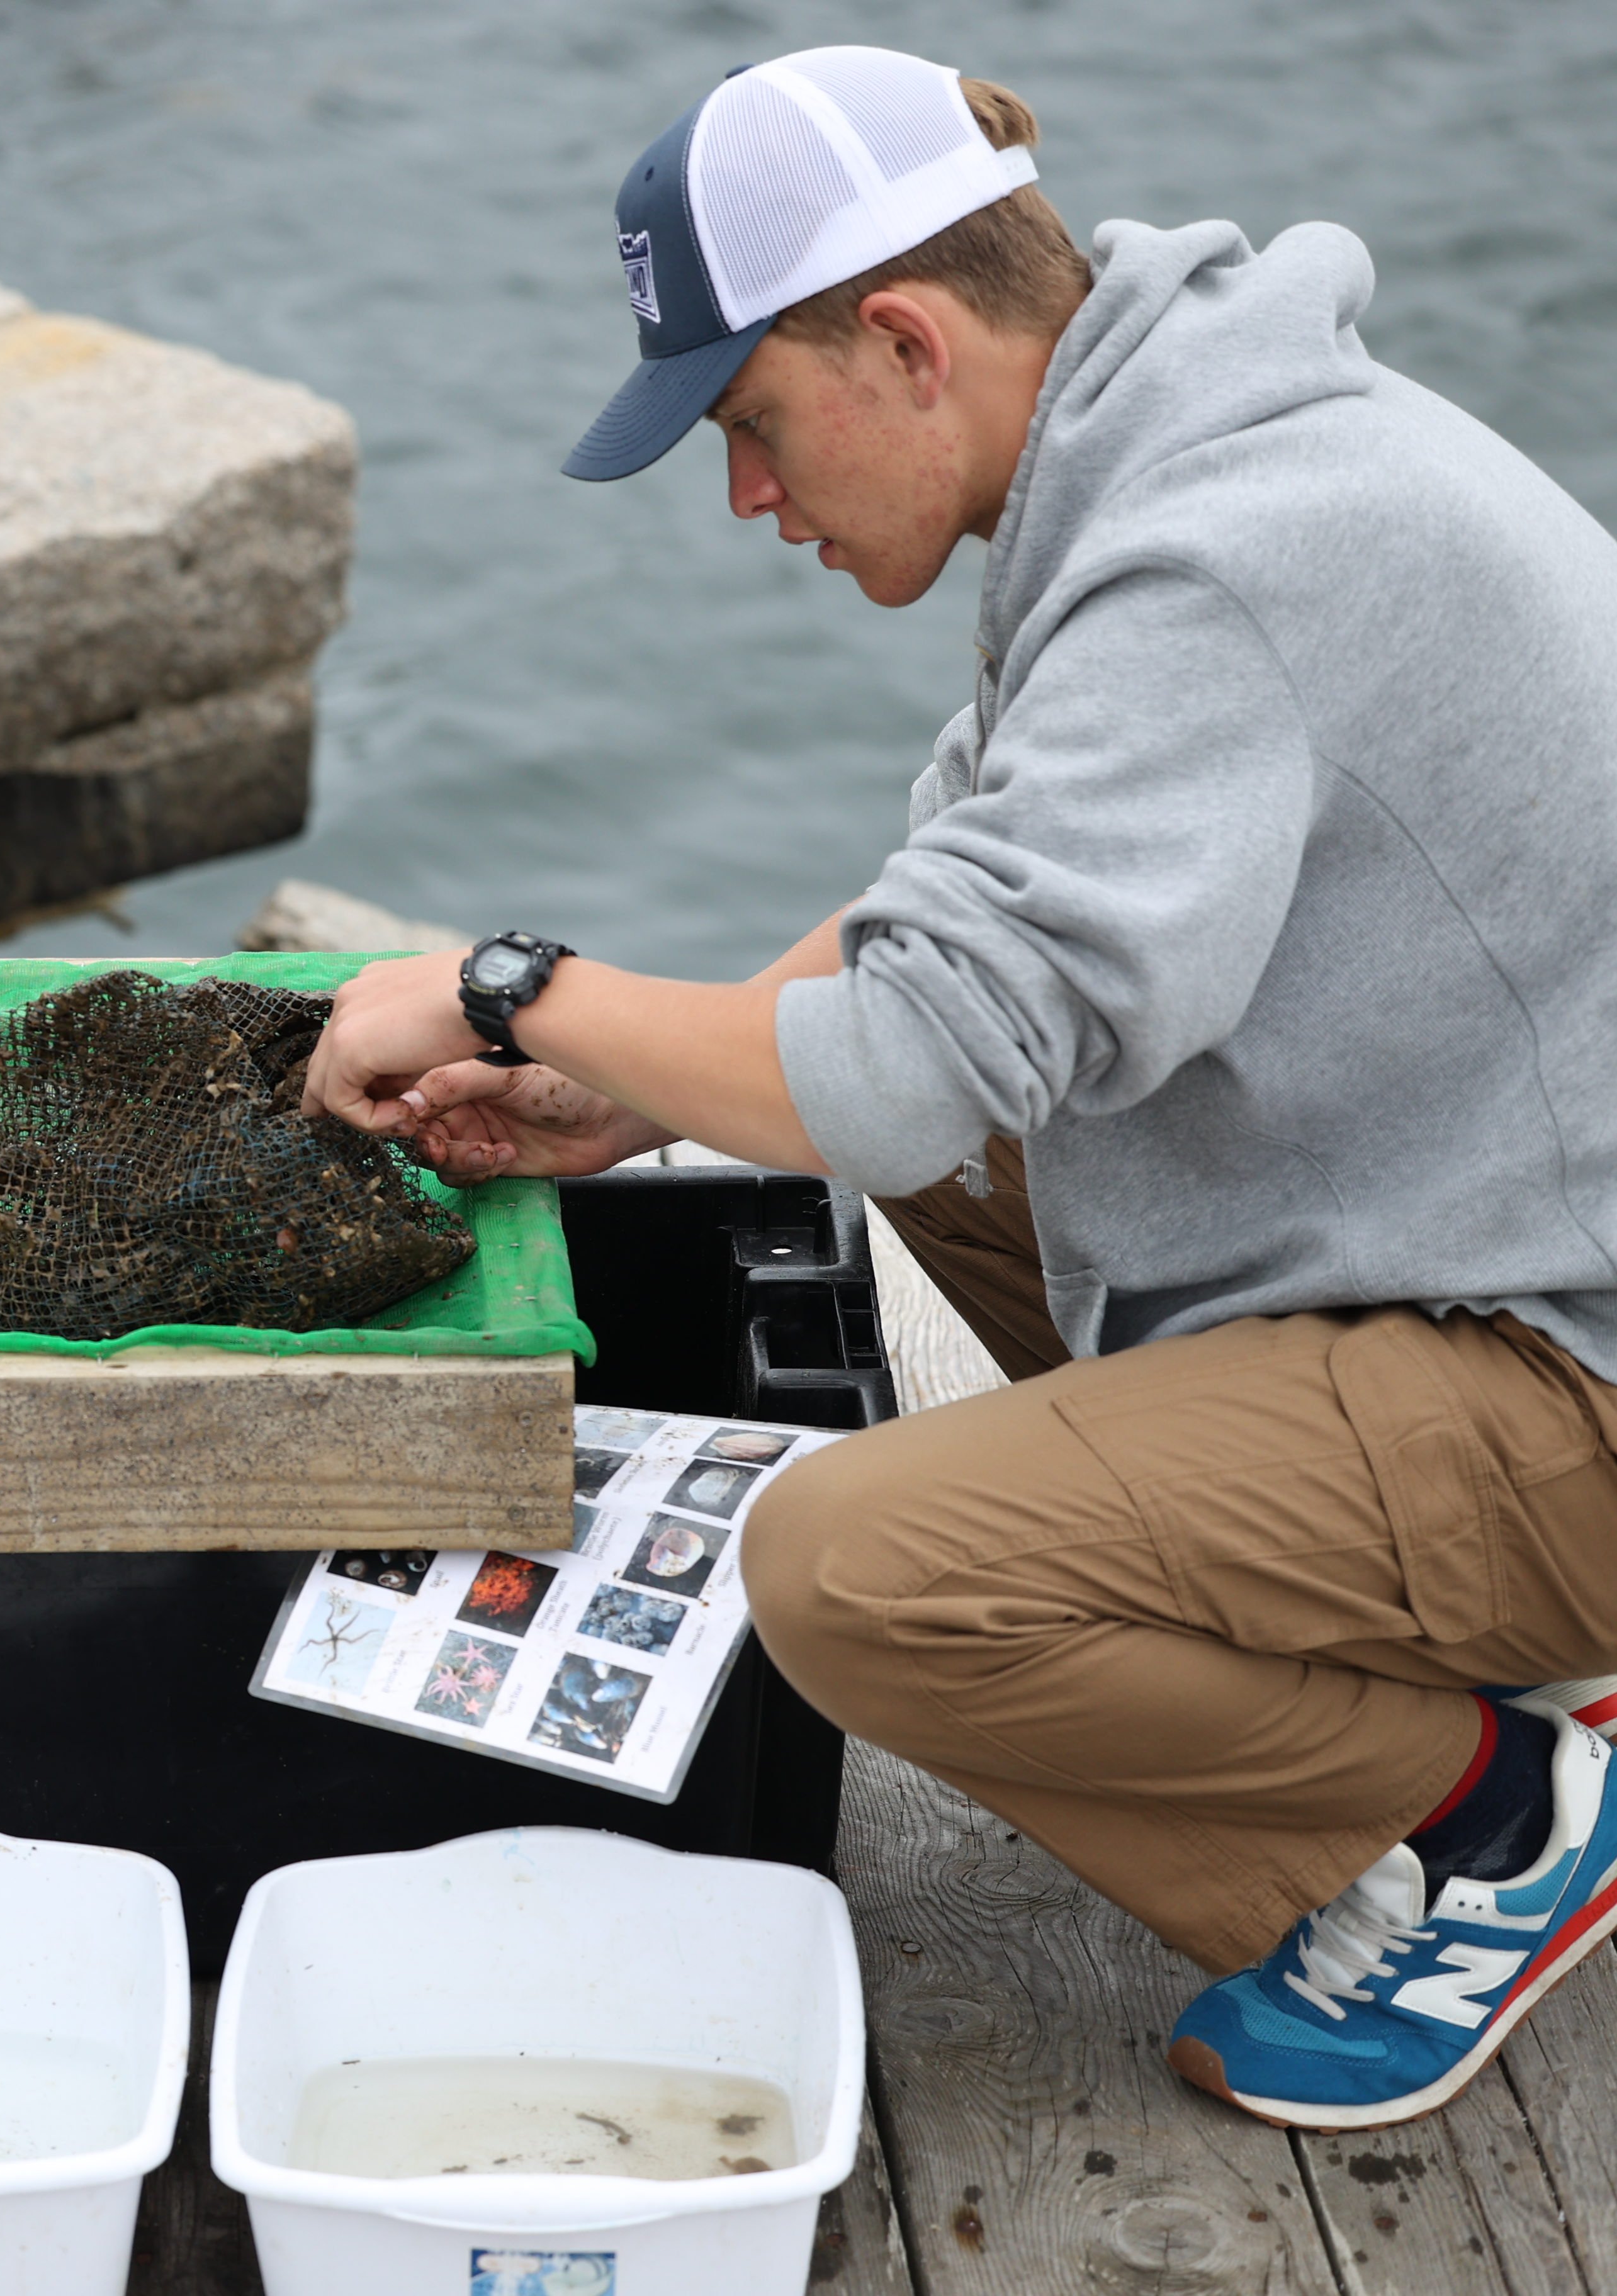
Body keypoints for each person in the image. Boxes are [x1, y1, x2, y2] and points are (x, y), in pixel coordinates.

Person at [303, 45, 1617, 2134]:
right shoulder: (1160, 449)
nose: (749, 501)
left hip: (1570, 1376)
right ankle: (1451, 1651)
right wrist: (629, 1099)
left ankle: (1481, 1817)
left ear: (904, 342)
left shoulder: (1220, 559)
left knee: (854, 1574)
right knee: (911, 1105)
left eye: (750, 428)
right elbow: (942, 942)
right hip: (1488, 1234)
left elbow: (908, 1066)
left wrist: (506, 985)